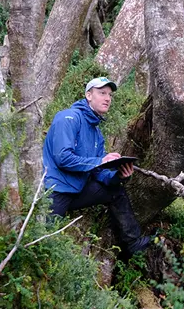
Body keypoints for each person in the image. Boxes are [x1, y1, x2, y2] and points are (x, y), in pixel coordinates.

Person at [42, 77, 151, 255]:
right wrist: (99, 161)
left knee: (116, 192)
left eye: (109, 94)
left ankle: (133, 245)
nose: (107, 98)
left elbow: (98, 172)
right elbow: (63, 158)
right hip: (55, 189)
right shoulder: (68, 118)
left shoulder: (96, 132)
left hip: (78, 190)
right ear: (88, 95)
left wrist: (118, 175)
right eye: (102, 93)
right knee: (45, 240)